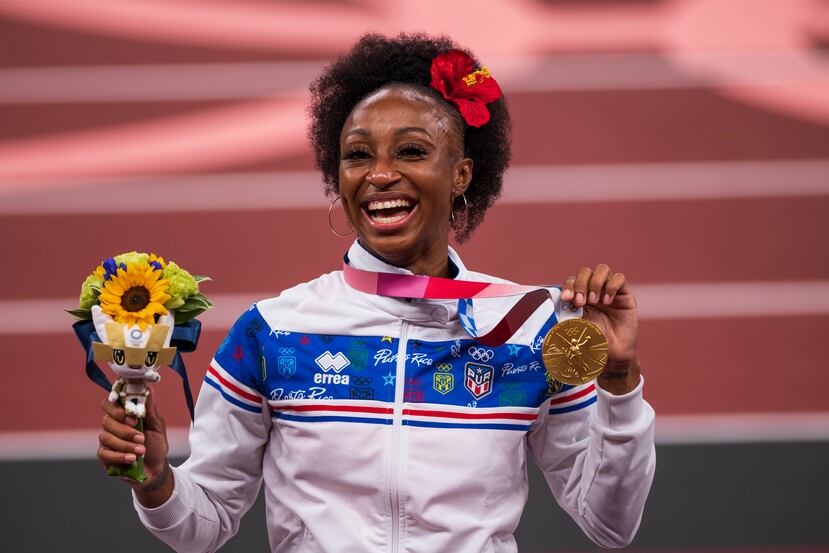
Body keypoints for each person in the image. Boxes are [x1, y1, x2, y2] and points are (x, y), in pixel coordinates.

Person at [97, 33, 655, 552]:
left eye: (411, 152)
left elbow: (609, 522)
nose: (379, 175)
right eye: (358, 155)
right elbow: (205, 523)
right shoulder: (273, 331)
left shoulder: (528, 328)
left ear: (461, 174)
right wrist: (158, 484)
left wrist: (619, 383)